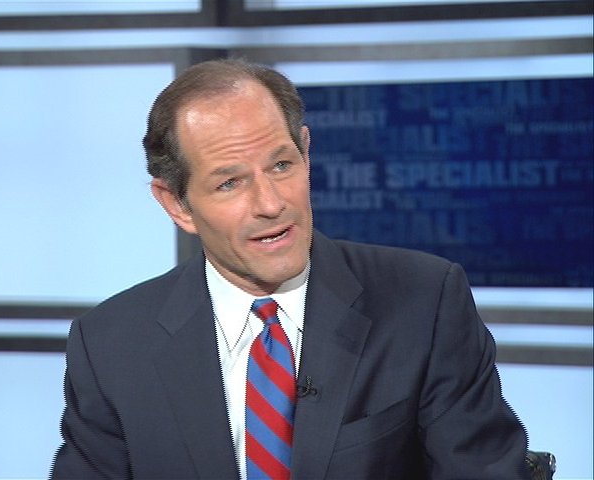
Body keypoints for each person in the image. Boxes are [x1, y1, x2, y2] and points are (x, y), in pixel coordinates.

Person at [51, 58, 531, 479]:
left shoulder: (424, 301)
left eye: (281, 165)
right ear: (177, 204)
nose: (270, 203)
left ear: (306, 152)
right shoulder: (111, 345)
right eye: (230, 183)